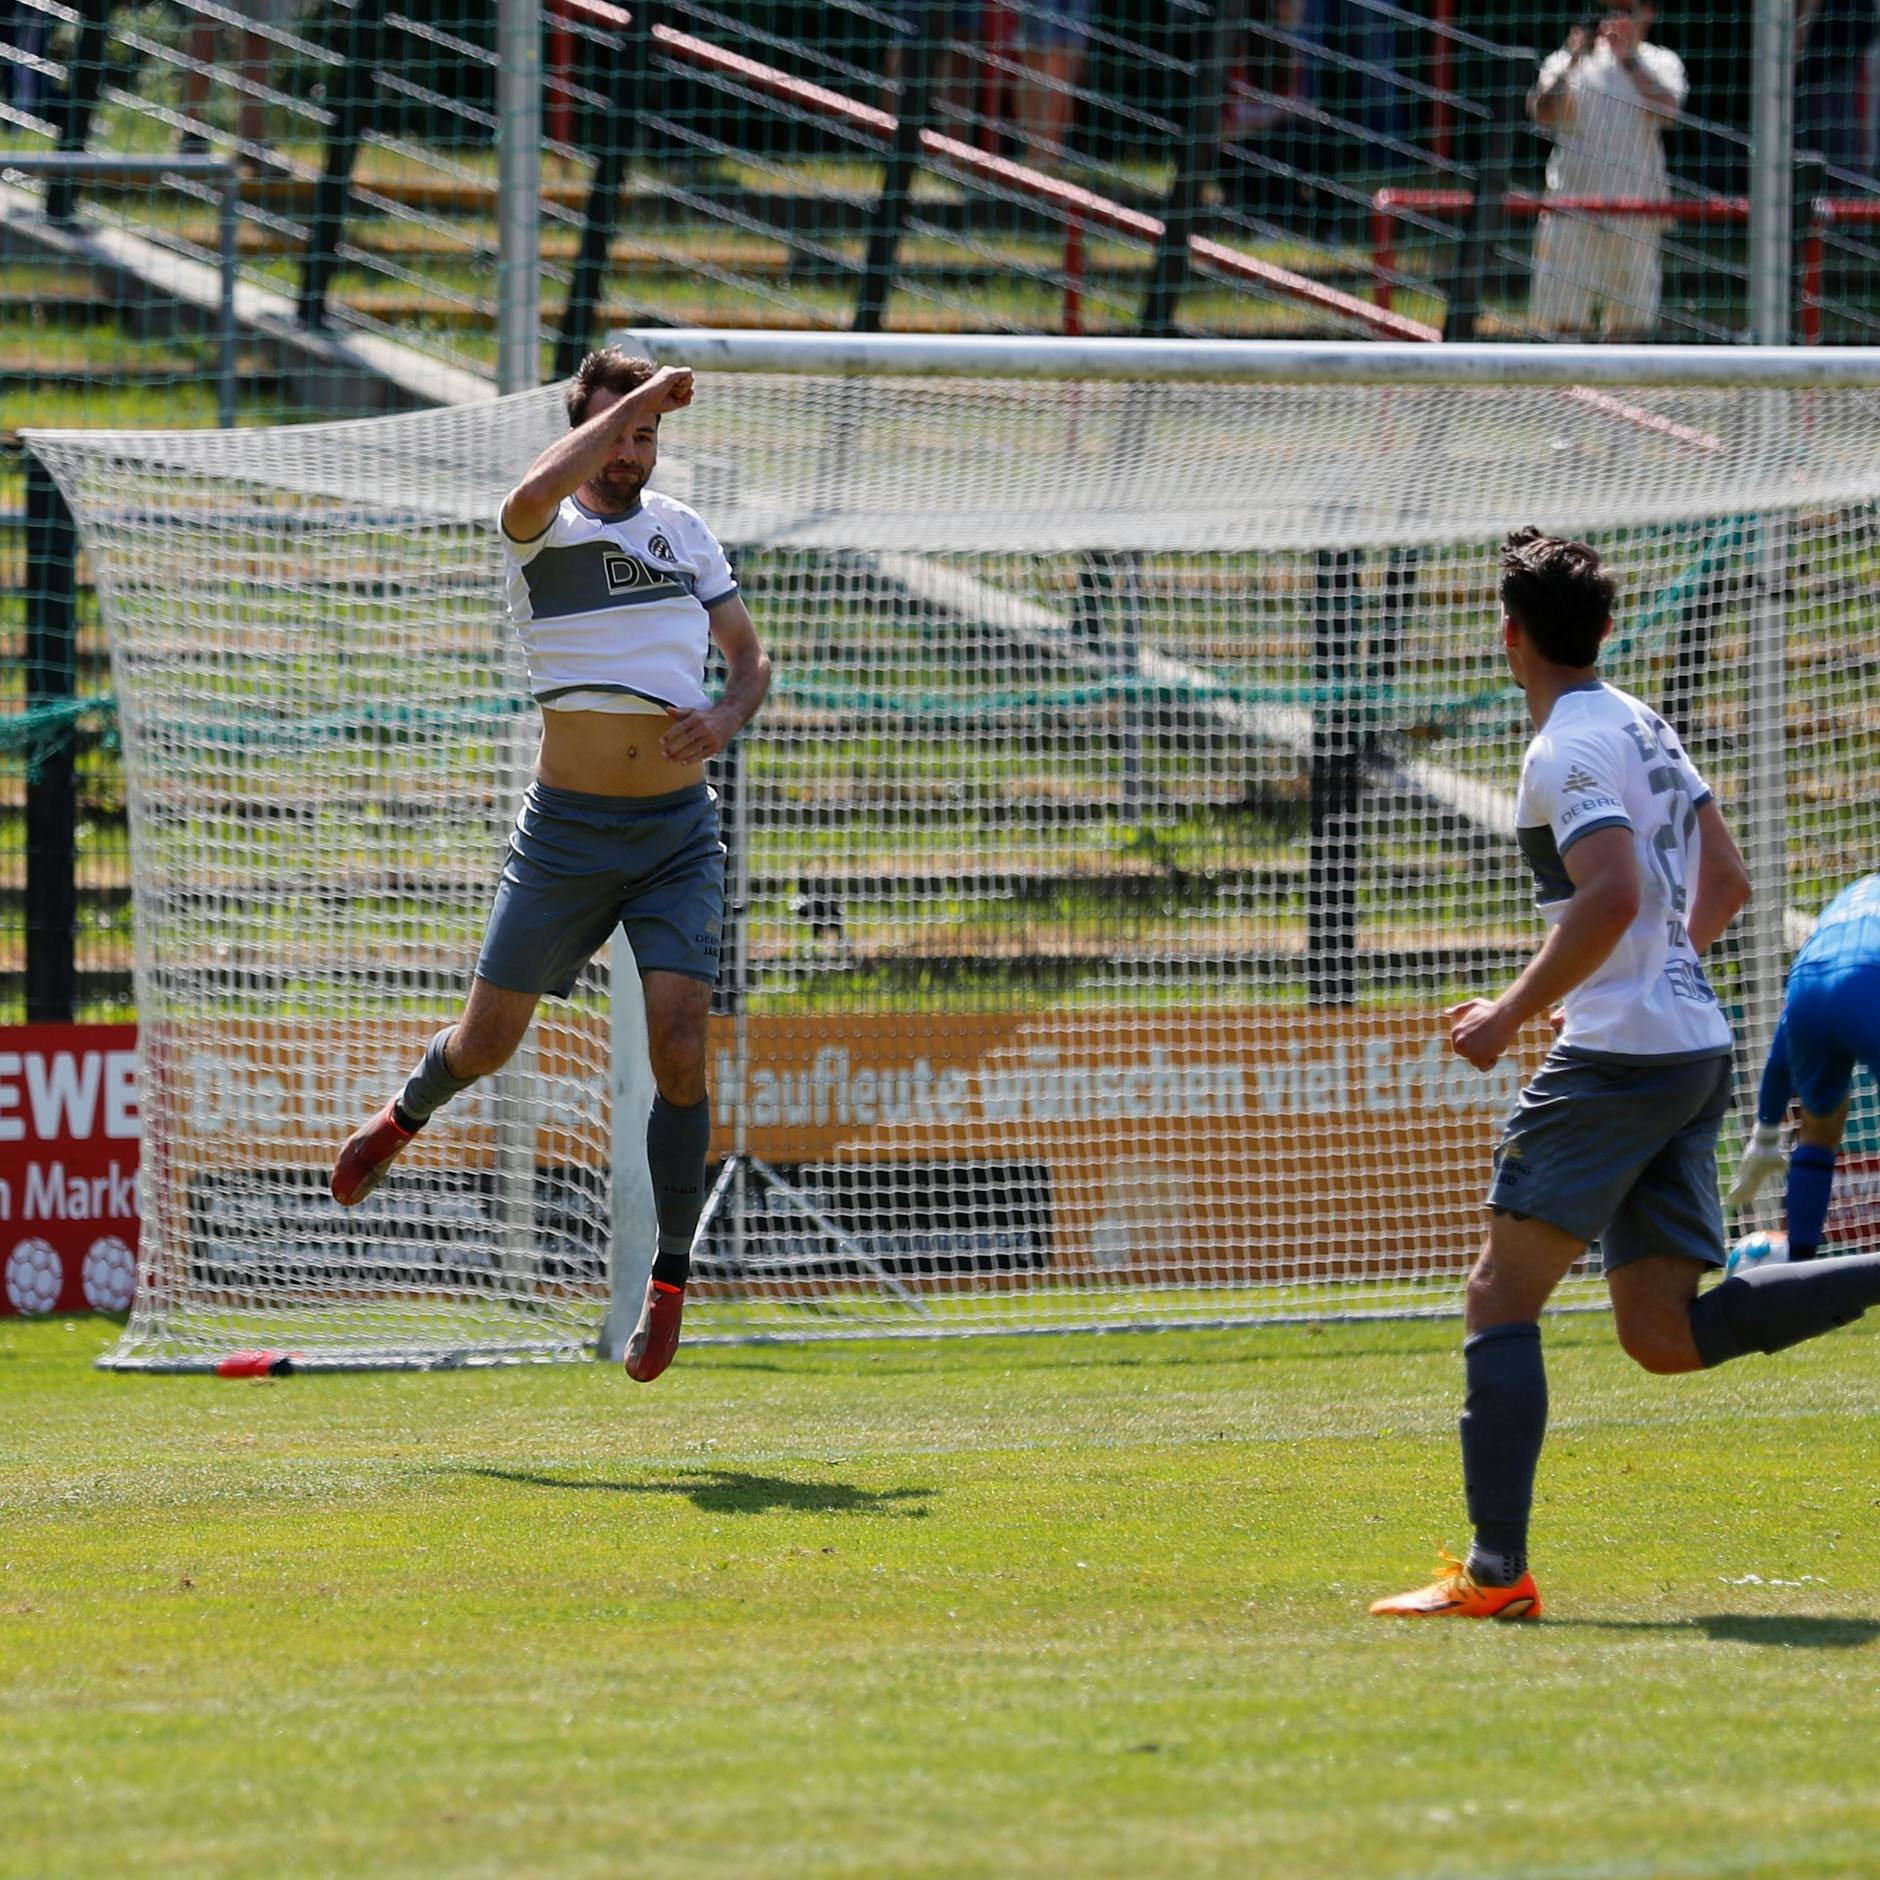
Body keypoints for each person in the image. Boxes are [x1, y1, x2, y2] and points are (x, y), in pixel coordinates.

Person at [1370, 529, 1880, 1621]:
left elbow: (1605, 898)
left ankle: (1494, 1574)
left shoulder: (1559, 747)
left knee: (1495, 1295)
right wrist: (1647, 980)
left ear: (1508, 637)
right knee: (1658, 1335)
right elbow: (1726, 881)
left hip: (1619, 1060)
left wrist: (1508, 1014)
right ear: (1602, 629)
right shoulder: (1641, 721)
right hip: (1688, 1047)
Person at [330, 350, 772, 1385]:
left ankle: (666, 1281)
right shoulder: (542, 527)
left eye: (648, 436)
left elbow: (750, 659)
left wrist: (723, 712)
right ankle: (401, 1119)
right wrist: (633, 398)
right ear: (583, 430)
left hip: (673, 836)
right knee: (487, 1040)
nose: (636, 451)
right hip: (565, 835)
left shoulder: (685, 532)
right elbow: (529, 489)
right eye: (619, 431)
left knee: (677, 1050)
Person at [1726, 872, 1880, 1260]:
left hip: (1806, 985)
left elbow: (1784, 1040)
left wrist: (1764, 1132)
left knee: (1820, 1128)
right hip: (1870, 981)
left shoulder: (1853, 894)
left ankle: (1799, 1270)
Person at [1525, 1, 1687, 339]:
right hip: (1571, 201)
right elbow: (1541, 112)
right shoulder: (1564, 60)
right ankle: (1565, 391)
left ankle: (1623, 392)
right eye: (1609, 9)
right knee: (1563, 320)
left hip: (1637, 204)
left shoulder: (1661, 61)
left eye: (1627, 10)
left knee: (1631, 326)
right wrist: (1572, 58)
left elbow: (1669, 112)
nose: (1616, 19)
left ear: (1648, 13)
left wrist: (1627, 60)